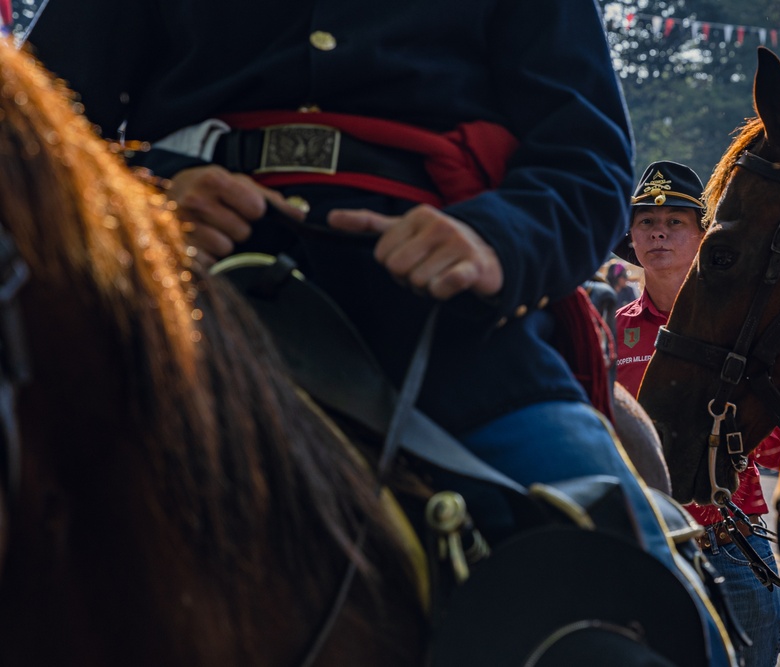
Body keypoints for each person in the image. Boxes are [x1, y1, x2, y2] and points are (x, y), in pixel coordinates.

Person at [24, 0, 723, 593]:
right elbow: (30, 133)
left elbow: (589, 163)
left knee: (640, 593)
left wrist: (493, 239)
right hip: (175, 298)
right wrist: (138, 197)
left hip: (449, 327)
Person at [614, 160, 780, 667]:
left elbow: (776, 441)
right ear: (631, 237)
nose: (660, 233)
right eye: (647, 222)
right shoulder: (608, 329)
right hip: (644, 545)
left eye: (675, 222)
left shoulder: (742, 328)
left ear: (703, 235)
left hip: (731, 542)